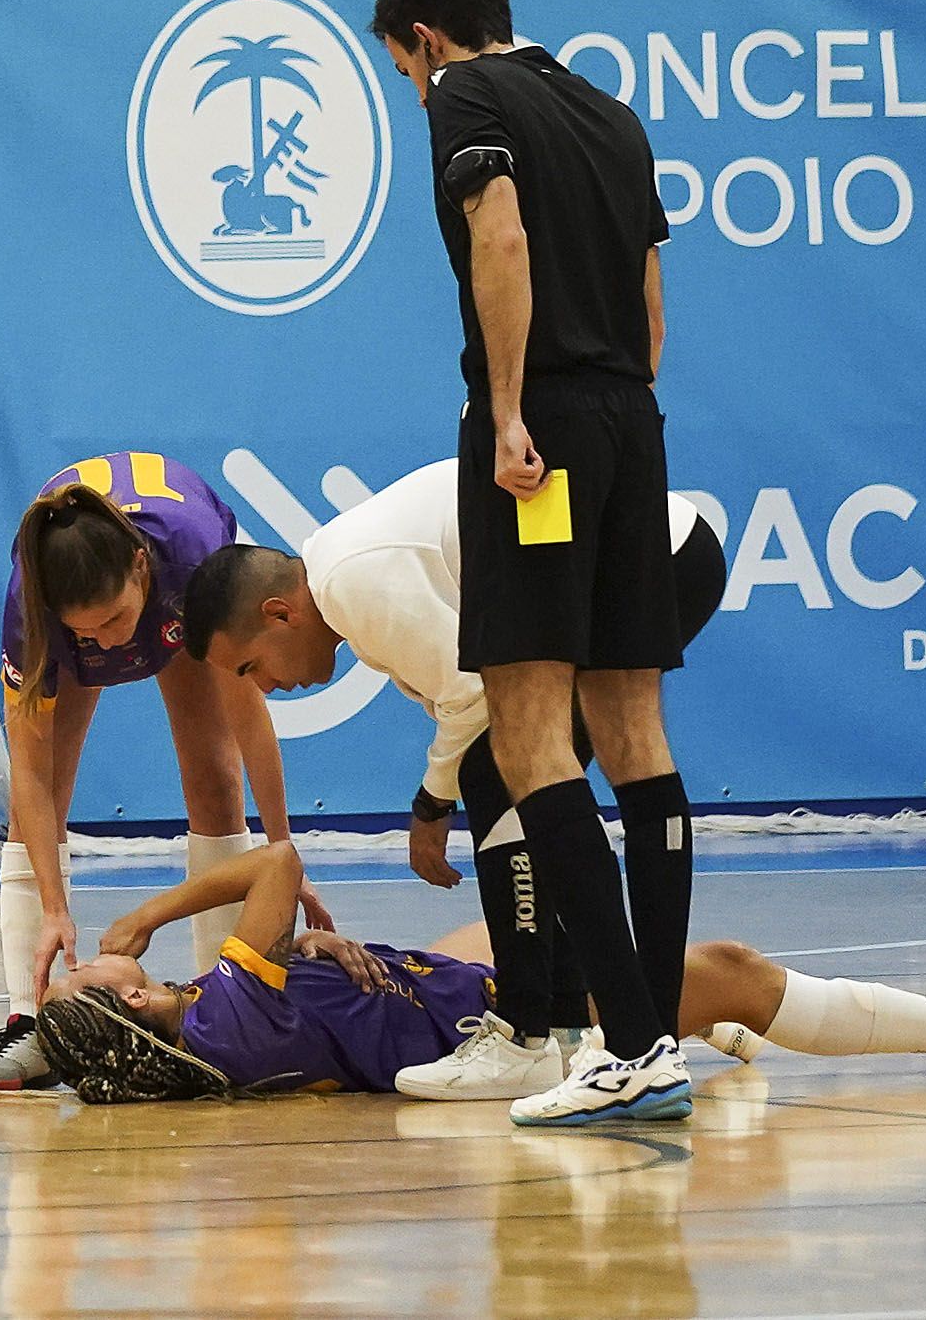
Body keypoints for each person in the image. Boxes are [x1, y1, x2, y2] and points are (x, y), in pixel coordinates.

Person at [372, 0, 696, 1124]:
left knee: (524, 733)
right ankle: (651, 1044)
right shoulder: (610, 112)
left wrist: (510, 412)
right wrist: (611, 409)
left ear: (423, 37)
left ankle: (619, 1041)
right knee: (630, 726)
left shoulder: (466, 92)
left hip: (537, 431)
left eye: (404, 70)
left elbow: (497, 239)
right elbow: (654, 303)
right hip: (629, 419)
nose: (415, 90)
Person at [179, 458, 728, 1099]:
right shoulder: (342, 583)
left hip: (649, 555)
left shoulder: (350, 583)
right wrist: (441, 793)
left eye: (250, 668)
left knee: (504, 775)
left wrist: (432, 802)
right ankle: (574, 1028)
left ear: (279, 614)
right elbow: (466, 701)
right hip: (655, 549)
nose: (266, 688)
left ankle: (531, 1034)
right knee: (522, 787)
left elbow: (472, 699)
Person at [36, 841, 926, 1105]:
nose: (92, 945)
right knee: (731, 967)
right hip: (481, 1024)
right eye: (88, 967)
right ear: (127, 998)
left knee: (504, 914)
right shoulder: (221, 1007)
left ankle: (703, 1025)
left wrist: (307, 953)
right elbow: (276, 862)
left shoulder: (214, 1027)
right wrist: (142, 911)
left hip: (433, 989)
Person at [0, 453, 314, 1095]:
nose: (103, 641)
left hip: (182, 590)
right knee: (37, 806)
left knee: (214, 780)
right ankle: (26, 1018)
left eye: (115, 621)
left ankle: (222, 1005)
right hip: (89, 605)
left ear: (140, 568)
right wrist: (53, 909)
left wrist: (281, 851)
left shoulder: (196, 567)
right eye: (85, 630)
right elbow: (31, 774)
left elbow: (249, 720)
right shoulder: (33, 610)